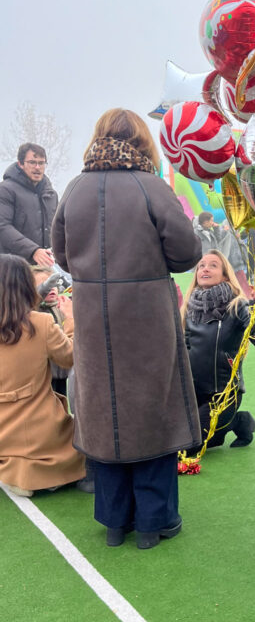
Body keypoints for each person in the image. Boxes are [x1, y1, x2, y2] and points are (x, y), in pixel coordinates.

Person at [52, 108, 202, 549]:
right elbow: (186, 252)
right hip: (147, 317)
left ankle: (115, 521)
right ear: (141, 141)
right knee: (154, 411)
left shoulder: (75, 188)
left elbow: (61, 253)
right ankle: (156, 521)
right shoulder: (151, 186)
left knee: (104, 411)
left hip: (94, 316)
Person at [0, 255, 85, 496]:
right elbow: (70, 357)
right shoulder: (42, 323)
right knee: (78, 444)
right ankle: (23, 473)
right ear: (26, 285)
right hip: (34, 425)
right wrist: (71, 319)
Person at [183, 250, 255, 449]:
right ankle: (237, 422)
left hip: (224, 394)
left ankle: (231, 419)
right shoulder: (188, 308)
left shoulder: (237, 306)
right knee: (172, 438)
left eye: (213, 265)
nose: (205, 268)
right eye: (201, 265)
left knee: (189, 445)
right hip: (192, 393)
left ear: (225, 275)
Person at [0, 143, 59, 265]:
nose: (37, 167)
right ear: (20, 164)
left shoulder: (51, 194)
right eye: (32, 162)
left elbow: (58, 228)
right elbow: (3, 227)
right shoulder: (5, 190)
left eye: (41, 163)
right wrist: (33, 251)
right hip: (14, 268)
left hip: (47, 267)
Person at [31, 265, 71, 399]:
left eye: (53, 284)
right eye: (45, 286)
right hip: (46, 374)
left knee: (63, 401)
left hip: (63, 371)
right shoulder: (34, 311)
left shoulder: (62, 308)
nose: (51, 288)